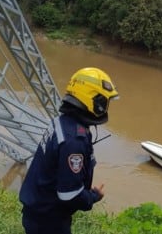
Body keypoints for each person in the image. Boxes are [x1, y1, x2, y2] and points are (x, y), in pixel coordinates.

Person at [19, 67, 120, 234]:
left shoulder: (63, 122)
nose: (105, 108)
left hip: (38, 210)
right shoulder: (74, 140)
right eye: (103, 102)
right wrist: (94, 196)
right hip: (48, 220)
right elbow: (69, 195)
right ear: (92, 100)